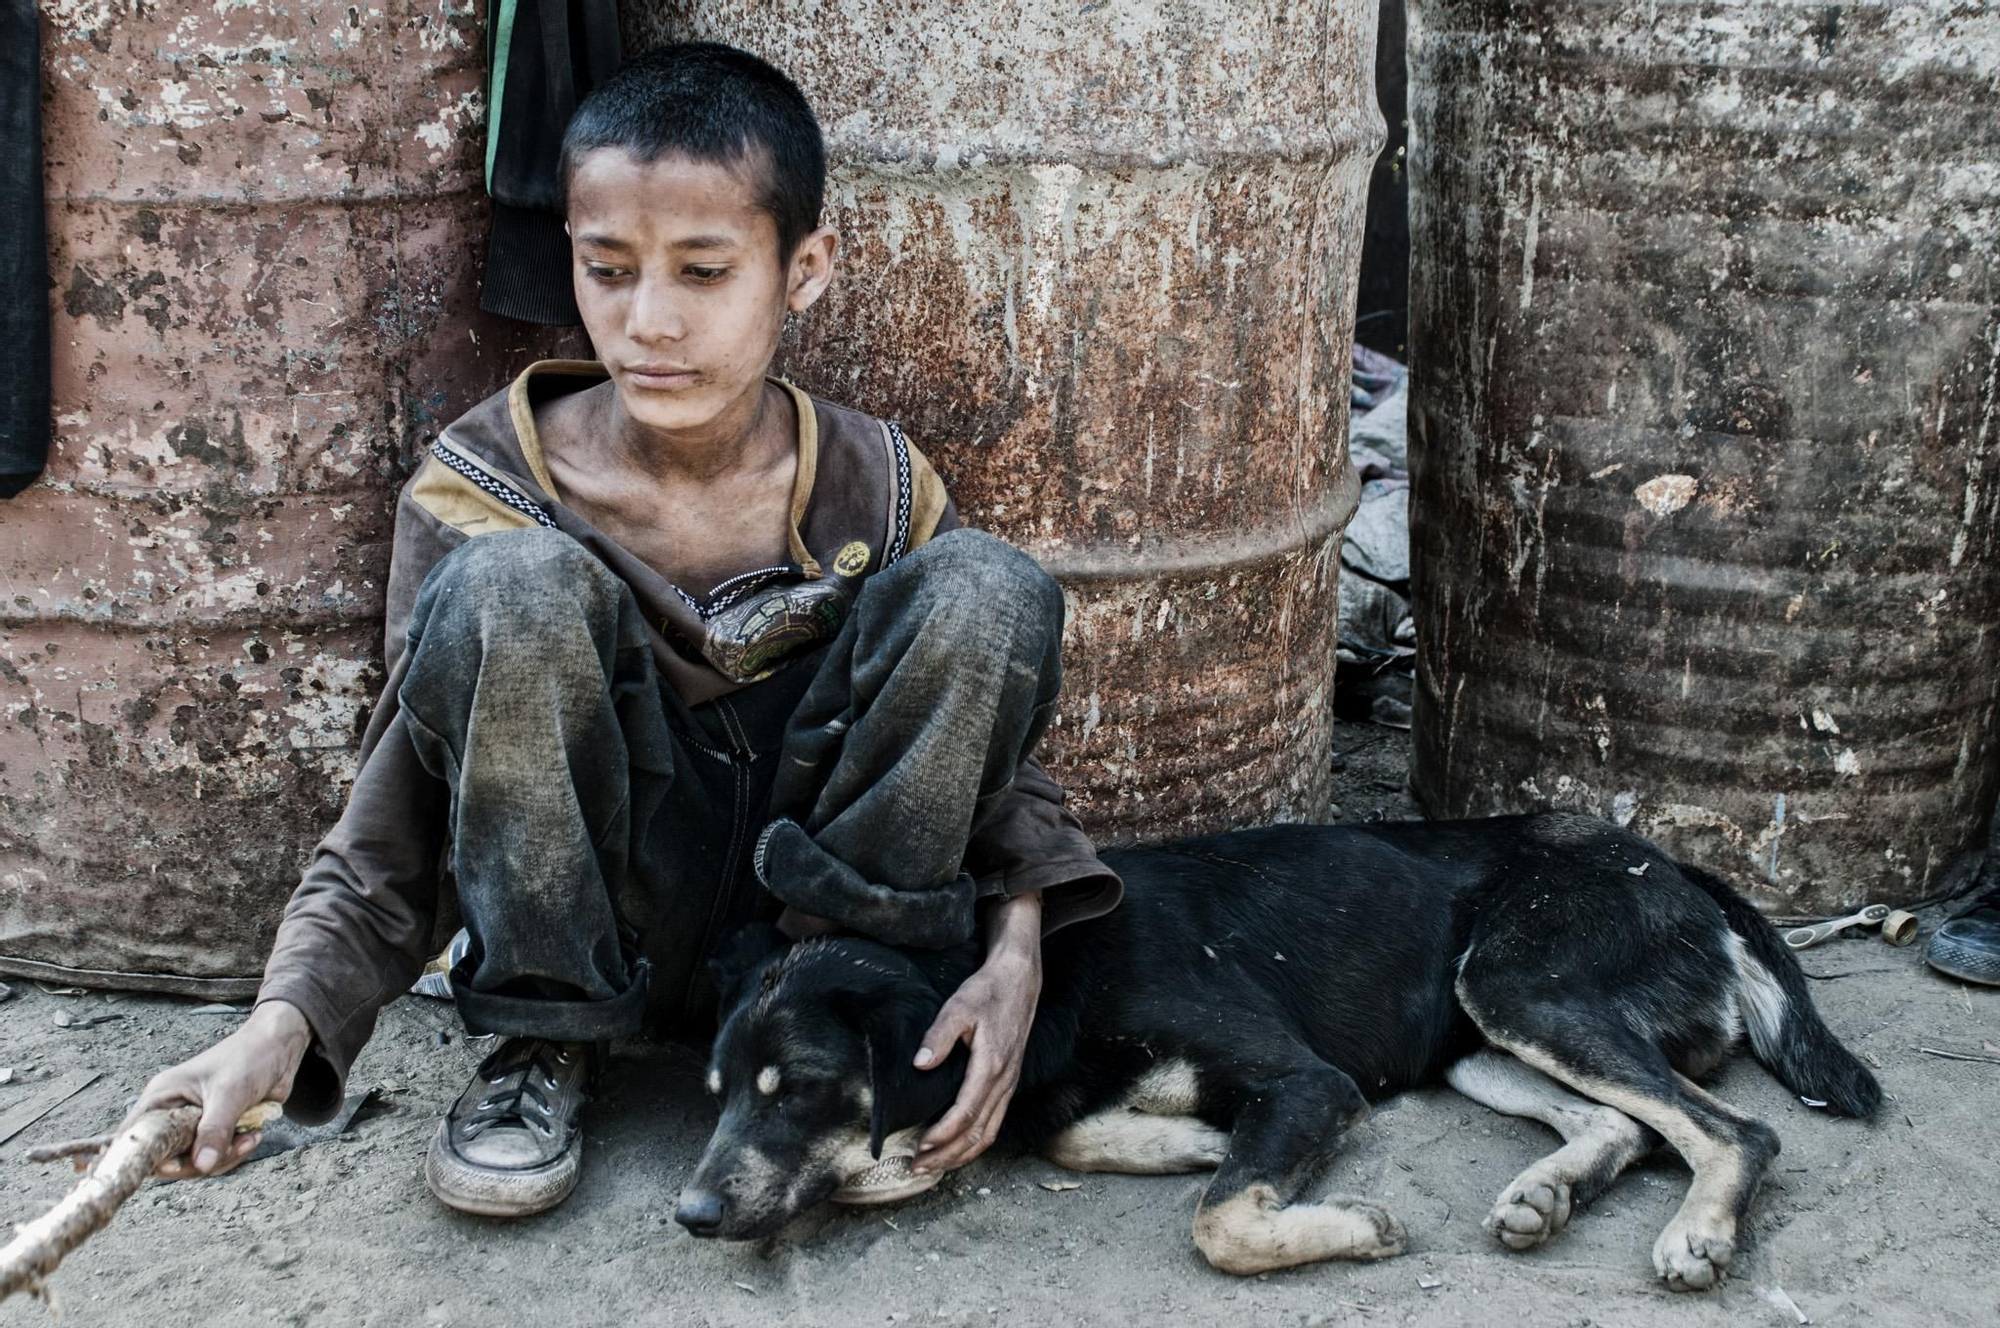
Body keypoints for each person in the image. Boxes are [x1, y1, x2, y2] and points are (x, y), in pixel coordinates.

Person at [128, 42, 1120, 1217]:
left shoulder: (879, 484)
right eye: (608, 270)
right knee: (513, 587)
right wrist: (277, 1027)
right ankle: (547, 1042)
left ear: (803, 269)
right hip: (600, 921)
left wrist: (1015, 956)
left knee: (986, 588)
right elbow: (396, 806)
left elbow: (987, 760)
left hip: (815, 941)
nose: (648, 320)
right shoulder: (481, 489)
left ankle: (833, 1032)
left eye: (703, 271)